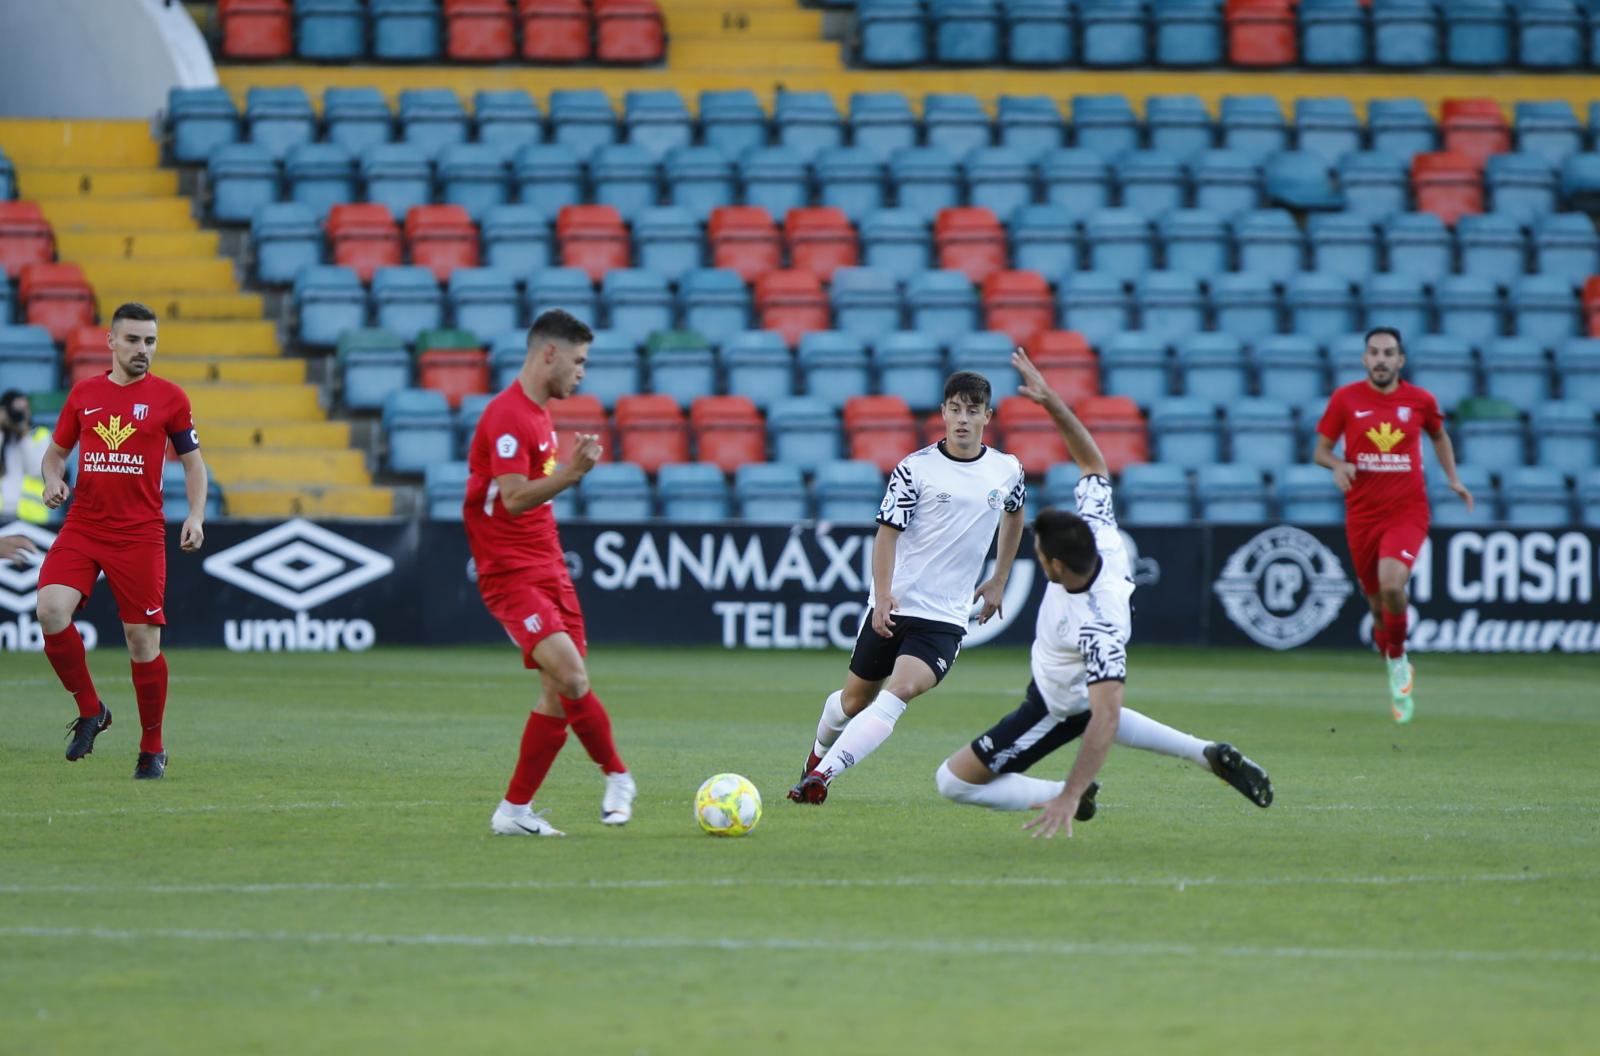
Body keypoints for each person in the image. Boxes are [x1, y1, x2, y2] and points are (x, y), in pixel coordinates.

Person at [935, 349, 1273, 838]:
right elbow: (1091, 460)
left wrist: (1070, 792)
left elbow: (1108, 716)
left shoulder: (1096, 625)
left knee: (953, 782)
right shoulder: (1099, 529)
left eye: (1036, 550)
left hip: (1053, 708)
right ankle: (1205, 754)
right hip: (1069, 692)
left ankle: (1058, 793)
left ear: (1054, 565)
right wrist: (1051, 402)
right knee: (1091, 703)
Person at [789, 370, 1027, 806]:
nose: (962, 419)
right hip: (897, 604)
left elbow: (1015, 514)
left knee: (900, 690)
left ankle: (823, 776)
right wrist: (881, 597)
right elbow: (887, 534)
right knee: (852, 701)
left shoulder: (1007, 469)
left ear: (987, 417)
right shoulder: (914, 469)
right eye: (954, 409)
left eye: (972, 411)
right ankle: (815, 759)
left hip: (945, 617)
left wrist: (999, 578)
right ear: (942, 412)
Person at [466, 309, 635, 837]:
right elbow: (513, 498)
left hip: (548, 566)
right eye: (578, 361)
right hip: (510, 573)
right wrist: (573, 474)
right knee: (572, 676)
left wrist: (566, 474)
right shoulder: (507, 416)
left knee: (556, 694)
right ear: (549, 354)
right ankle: (618, 775)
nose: (582, 372)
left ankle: (514, 811)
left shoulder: (540, 415)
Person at [35, 302, 208, 779]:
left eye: (150, 341)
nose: (142, 350)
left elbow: (194, 464)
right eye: (133, 340)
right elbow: (55, 456)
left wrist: (195, 515)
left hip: (139, 534)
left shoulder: (170, 398)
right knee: (50, 609)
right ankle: (92, 710)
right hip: (84, 525)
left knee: (141, 642)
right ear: (110, 342)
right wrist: (52, 481)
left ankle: (152, 747)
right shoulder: (84, 394)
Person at [1314, 327, 1472, 724]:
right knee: (1377, 609)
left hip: (1407, 510)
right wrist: (1338, 465)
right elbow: (1320, 449)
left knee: (1390, 584)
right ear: (1365, 359)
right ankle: (1391, 650)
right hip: (1362, 514)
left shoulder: (1420, 400)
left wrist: (1452, 478)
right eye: (1374, 352)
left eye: (1388, 353)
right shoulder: (1346, 399)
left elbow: (1439, 436)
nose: (1381, 359)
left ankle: (1399, 662)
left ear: (1400, 360)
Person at [1, 389, 52, 522]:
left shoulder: (40, 435)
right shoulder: (4, 437)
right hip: (3, 512)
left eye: (25, 408)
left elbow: (38, 471)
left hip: (31, 515)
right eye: (16, 411)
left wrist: (24, 434)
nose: (22, 414)